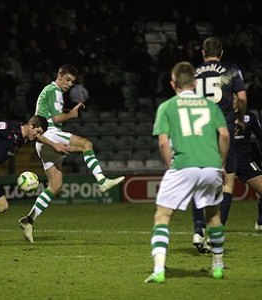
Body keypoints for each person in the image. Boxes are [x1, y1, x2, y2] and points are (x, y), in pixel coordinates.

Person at [18, 64, 125, 243]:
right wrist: (72, 114)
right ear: (59, 75)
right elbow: (52, 119)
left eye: (72, 82)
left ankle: (29, 220)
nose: (69, 84)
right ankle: (102, 181)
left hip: (41, 141)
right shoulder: (54, 90)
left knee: (56, 185)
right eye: (67, 80)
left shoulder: (51, 91)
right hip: (48, 132)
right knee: (86, 144)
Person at [145, 61, 229, 283]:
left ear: (173, 84)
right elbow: (225, 136)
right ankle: (218, 265)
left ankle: (159, 269)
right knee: (213, 216)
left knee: (163, 216)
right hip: (211, 166)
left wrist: (169, 165)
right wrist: (220, 164)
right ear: (194, 83)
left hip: (183, 165)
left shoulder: (167, 107)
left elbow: (163, 142)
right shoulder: (212, 107)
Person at [191, 37, 247, 252]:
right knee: (227, 182)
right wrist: (240, 118)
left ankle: (198, 230)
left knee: (199, 181)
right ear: (221, 53)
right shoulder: (231, 70)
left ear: (203, 53)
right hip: (223, 129)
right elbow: (241, 98)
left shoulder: (195, 72)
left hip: (199, 131)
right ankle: (216, 234)